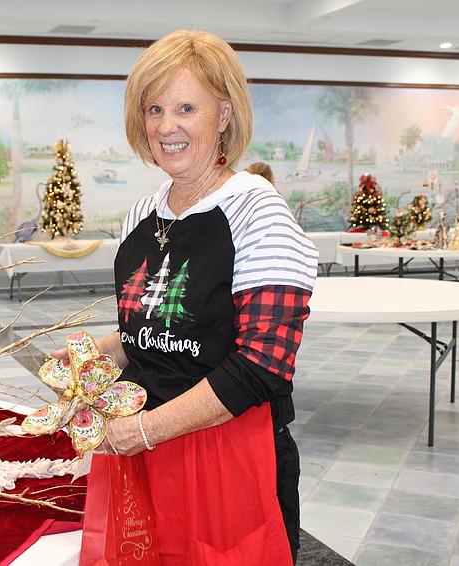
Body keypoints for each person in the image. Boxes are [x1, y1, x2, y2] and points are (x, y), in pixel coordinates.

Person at [56, 30, 318, 564]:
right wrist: (101, 353)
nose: (165, 126)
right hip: (143, 450)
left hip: (228, 457)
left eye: (185, 108)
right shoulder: (143, 214)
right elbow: (158, 333)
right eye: (154, 109)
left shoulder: (257, 212)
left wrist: (146, 430)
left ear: (224, 114)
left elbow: (262, 366)